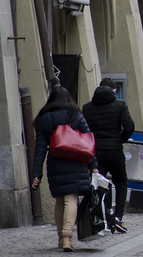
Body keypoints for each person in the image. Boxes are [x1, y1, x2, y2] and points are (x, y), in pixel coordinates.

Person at [32, 87, 97, 252]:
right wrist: (93, 165)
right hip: (75, 161)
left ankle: (61, 238)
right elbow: (89, 142)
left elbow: (40, 148)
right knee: (71, 199)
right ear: (68, 99)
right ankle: (68, 237)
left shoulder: (43, 119)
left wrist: (36, 172)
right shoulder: (74, 114)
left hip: (55, 163)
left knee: (60, 200)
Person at [82, 77, 134, 233]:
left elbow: (84, 131)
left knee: (101, 184)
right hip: (115, 150)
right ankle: (118, 217)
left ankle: (105, 216)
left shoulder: (87, 108)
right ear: (113, 91)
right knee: (121, 182)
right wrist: (120, 139)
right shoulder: (120, 105)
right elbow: (130, 126)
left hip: (96, 152)